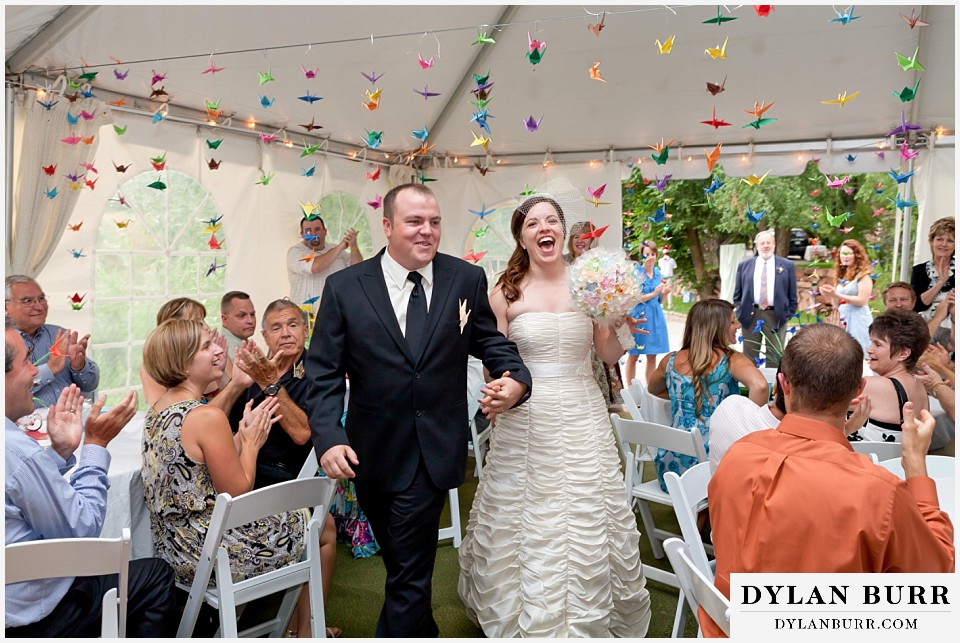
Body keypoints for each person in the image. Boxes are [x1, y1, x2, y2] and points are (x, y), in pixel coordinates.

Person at [306, 183, 532, 637]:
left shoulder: (464, 279)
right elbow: (323, 372)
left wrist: (516, 378)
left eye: (434, 222)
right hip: (369, 454)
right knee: (402, 567)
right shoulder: (344, 287)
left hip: (433, 449)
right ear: (387, 226)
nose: (427, 231)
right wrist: (329, 437)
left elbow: (489, 340)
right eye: (415, 222)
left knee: (408, 573)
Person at [458, 190, 651, 637]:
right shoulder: (503, 293)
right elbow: (494, 359)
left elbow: (604, 352)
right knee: (523, 514)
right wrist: (499, 393)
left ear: (563, 232)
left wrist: (620, 322)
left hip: (582, 411)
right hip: (525, 415)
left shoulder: (590, 283)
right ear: (522, 237)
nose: (544, 228)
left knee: (586, 510)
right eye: (532, 223)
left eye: (551, 221)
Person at [703, 324, 954, 637]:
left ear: (784, 384)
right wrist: (916, 465)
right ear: (859, 390)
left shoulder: (738, 455)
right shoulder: (878, 491)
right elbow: (937, 575)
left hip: (730, 625)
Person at [5, 318, 178, 637]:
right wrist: (96, 445)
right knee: (156, 576)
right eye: (27, 361)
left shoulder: (16, 452)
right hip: (29, 616)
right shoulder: (15, 450)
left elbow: (15, 492)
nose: (35, 372)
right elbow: (82, 526)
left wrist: (58, 454)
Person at [140, 319, 315, 627]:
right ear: (182, 364)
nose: (220, 351)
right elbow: (237, 492)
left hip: (173, 549)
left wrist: (240, 435)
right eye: (207, 347)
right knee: (320, 525)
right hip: (209, 555)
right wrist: (251, 443)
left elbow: (194, 468)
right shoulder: (206, 415)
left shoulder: (159, 409)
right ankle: (304, 631)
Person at [216, 299, 340, 637]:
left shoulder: (319, 369)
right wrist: (239, 383)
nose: (286, 333)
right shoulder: (252, 371)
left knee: (324, 527)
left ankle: (306, 630)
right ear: (264, 337)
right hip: (240, 470)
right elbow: (220, 430)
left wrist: (272, 384)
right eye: (276, 327)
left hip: (285, 475)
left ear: (305, 329)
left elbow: (302, 433)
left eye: (293, 325)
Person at [648, 299, 767, 489]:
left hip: (672, 465)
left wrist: (685, 398)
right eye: (732, 321)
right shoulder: (731, 360)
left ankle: (699, 513)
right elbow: (760, 386)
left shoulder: (670, 360)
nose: (737, 326)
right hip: (714, 463)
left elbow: (653, 389)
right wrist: (746, 425)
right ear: (717, 326)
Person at [709, 365, 872, 473]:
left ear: (779, 384)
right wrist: (844, 429)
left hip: (722, 520)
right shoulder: (809, 453)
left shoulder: (730, 407)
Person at [5, 274, 99, 408]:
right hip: (24, 427)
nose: (39, 307)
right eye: (27, 301)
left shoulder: (58, 333)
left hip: (72, 420)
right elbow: (8, 391)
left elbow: (91, 385)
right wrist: (50, 368)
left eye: (41, 298)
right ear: (5, 308)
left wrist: (79, 366)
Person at [564, 220, 623, 407]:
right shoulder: (561, 263)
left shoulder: (599, 264)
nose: (581, 240)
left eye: (586, 236)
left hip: (593, 325)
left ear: (593, 240)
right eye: (576, 236)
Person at [139, 297, 232, 410]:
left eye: (203, 320)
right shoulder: (153, 368)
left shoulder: (217, 353)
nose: (206, 327)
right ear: (175, 331)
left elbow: (237, 401)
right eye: (196, 323)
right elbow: (166, 415)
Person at [854, 310, 930, 442]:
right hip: (899, 461)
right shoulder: (920, 387)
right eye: (871, 343)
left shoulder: (874, 386)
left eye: (878, 344)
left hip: (870, 460)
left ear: (903, 353)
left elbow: (820, 399)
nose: (869, 350)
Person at [732, 230, 798, 368]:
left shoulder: (787, 265)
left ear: (774, 245)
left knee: (775, 355)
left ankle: (772, 388)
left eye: (769, 242)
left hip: (776, 316)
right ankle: (750, 386)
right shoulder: (744, 266)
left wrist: (787, 314)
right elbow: (737, 293)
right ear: (756, 246)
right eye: (762, 243)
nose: (766, 246)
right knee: (750, 355)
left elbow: (792, 295)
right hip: (751, 315)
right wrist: (740, 311)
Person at [287, 214, 362, 316]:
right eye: (308, 230)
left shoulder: (335, 249)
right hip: (305, 319)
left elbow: (357, 270)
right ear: (302, 234)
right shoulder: (295, 252)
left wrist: (353, 246)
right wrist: (340, 247)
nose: (313, 234)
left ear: (325, 231)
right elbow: (315, 267)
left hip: (337, 315)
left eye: (317, 229)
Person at [625, 240, 671, 386]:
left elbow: (660, 301)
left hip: (656, 316)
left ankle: (650, 390)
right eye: (646, 254)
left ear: (656, 255)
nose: (650, 257)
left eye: (652, 254)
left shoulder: (658, 273)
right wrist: (653, 293)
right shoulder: (636, 273)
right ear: (641, 256)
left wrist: (664, 293)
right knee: (634, 354)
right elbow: (633, 298)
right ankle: (632, 390)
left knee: (652, 356)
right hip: (639, 317)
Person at [820, 239, 873, 351]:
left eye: (849, 253)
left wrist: (838, 295)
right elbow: (836, 301)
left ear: (857, 255)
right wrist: (830, 294)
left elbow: (862, 301)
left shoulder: (863, 275)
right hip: (843, 316)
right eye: (842, 254)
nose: (845, 256)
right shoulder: (841, 274)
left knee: (859, 349)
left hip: (858, 318)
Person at [911, 216, 954, 322]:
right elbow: (916, 306)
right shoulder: (919, 270)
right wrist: (941, 282)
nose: (944, 244)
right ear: (931, 241)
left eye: (950, 241)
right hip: (925, 327)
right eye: (939, 239)